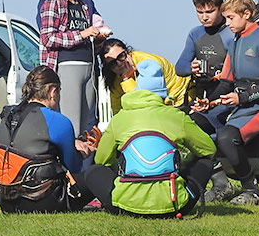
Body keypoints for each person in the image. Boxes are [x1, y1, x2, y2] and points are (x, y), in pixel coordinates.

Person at [84, 60, 215, 217]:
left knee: (94, 171)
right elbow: (209, 149)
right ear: (162, 90)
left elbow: (102, 161)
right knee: (205, 161)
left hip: (125, 206)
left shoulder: (119, 119)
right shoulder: (177, 116)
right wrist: (183, 166)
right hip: (175, 205)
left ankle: (124, 196)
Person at [194, 0, 259, 206]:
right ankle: (221, 185)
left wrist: (242, 97)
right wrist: (210, 102)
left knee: (227, 138)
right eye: (225, 18)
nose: (226, 23)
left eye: (230, 18)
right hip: (239, 102)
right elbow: (226, 81)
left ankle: (252, 190)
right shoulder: (236, 41)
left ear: (247, 14)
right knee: (196, 124)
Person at [0, 66, 96, 213]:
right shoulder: (58, 120)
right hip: (43, 201)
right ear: (53, 92)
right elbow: (74, 167)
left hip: (5, 201)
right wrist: (83, 152)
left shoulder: (7, 115)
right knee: (97, 173)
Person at [174, 0, 236, 202]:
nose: (204, 17)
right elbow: (179, 67)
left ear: (220, 8)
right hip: (201, 98)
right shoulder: (195, 34)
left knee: (197, 128)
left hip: (225, 98)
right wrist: (190, 67)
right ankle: (215, 183)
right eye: (200, 12)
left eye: (210, 11)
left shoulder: (230, 33)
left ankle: (219, 184)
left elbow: (236, 72)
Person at [39, 0, 110, 138]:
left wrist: (99, 37)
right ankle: (68, 166)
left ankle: (82, 166)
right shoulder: (52, 2)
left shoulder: (84, 5)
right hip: (67, 66)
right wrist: (82, 34)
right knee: (71, 125)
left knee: (86, 128)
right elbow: (48, 38)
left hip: (88, 66)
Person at [100, 38, 191, 115]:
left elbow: (145, 102)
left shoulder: (149, 64)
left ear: (128, 53)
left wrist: (127, 79)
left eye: (121, 56)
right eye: (112, 63)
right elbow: (117, 110)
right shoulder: (115, 78)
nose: (119, 64)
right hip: (160, 107)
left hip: (182, 99)